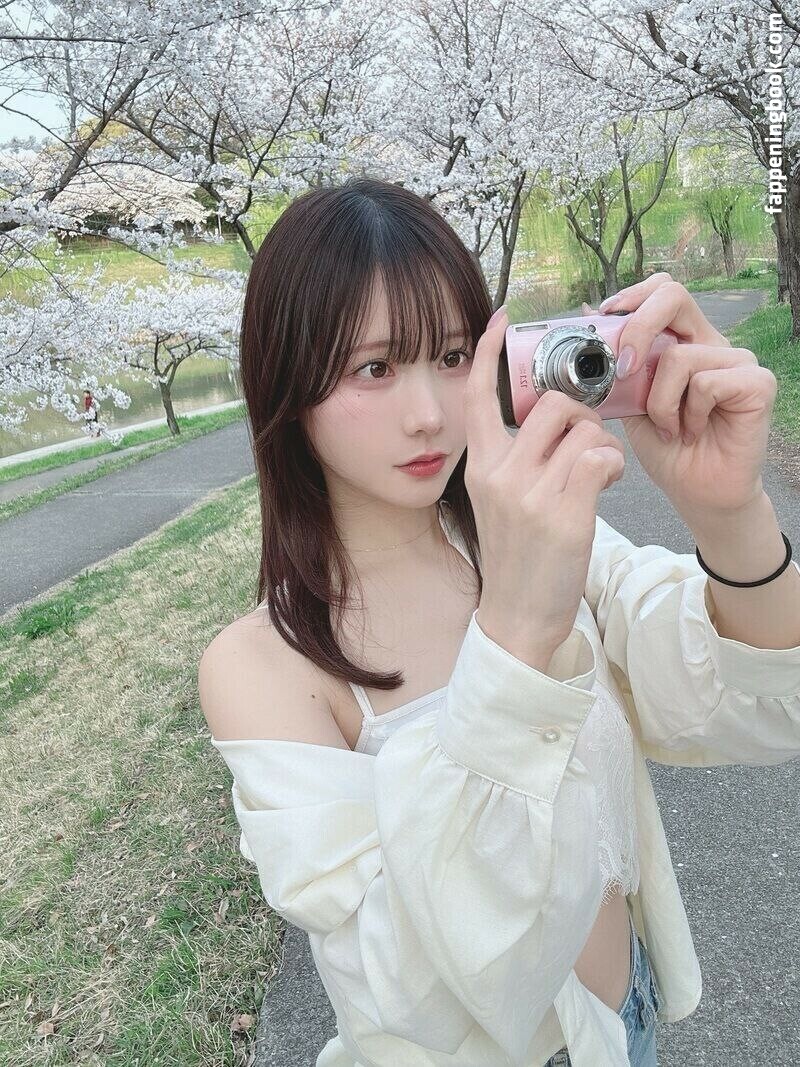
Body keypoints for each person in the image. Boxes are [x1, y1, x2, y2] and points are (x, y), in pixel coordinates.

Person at [197, 177, 800, 1066]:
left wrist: (730, 515)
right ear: (286, 382)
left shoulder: (536, 541)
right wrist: (515, 634)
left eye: (452, 355)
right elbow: (408, 994)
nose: (429, 413)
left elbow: (751, 706)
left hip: (622, 1018)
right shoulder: (264, 666)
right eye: (374, 368)